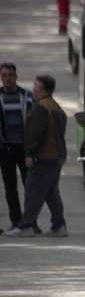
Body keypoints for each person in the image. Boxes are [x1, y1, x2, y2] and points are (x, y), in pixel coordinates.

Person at [5, 76, 67, 238]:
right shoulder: (56, 107)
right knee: (51, 192)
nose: (33, 89)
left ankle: (26, 226)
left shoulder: (41, 108)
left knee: (33, 190)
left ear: (42, 89)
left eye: (35, 86)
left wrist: (29, 154)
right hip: (56, 156)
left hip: (44, 157)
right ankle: (59, 225)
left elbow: (35, 135)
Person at [0, 62, 41, 234]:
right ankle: (16, 222)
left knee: (30, 187)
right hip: (5, 150)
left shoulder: (27, 96)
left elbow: (35, 124)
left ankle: (31, 222)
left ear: (16, 77)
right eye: (4, 76)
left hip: (25, 150)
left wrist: (33, 150)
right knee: (10, 188)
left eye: (11, 75)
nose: (8, 79)